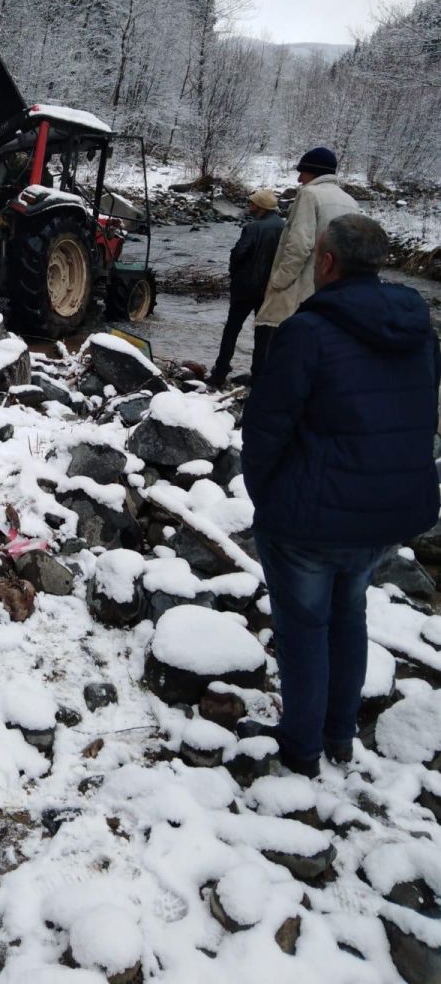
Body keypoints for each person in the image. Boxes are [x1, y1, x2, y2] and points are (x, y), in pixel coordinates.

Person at [241, 214, 441, 778]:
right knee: (349, 614)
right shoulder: (417, 329)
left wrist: (268, 496)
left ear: (325, 262)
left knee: (304, 628)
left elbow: (264, 428)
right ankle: (338, 735)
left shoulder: (309, 330)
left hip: (311, 518)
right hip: (387, 515)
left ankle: (301, 751)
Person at [254, 147, 358, 367]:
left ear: (314, 172)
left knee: (277, 354)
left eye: (303, 172)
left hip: (299, 289)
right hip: (332, 292)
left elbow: (299, 245)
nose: (299, 178)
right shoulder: (350, 201)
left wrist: (279, 281)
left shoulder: (309, 195)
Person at [207, 189, 284, 387]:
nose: (249, 207)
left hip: (245, 288)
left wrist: (234, 273)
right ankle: (258, 377)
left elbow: (239, 253)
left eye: (252, 204)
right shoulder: (284, 227)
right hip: (271, 289)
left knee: (232, 330)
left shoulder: (253, 228)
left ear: (261, 207)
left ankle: (220, 372)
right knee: (264, 334)